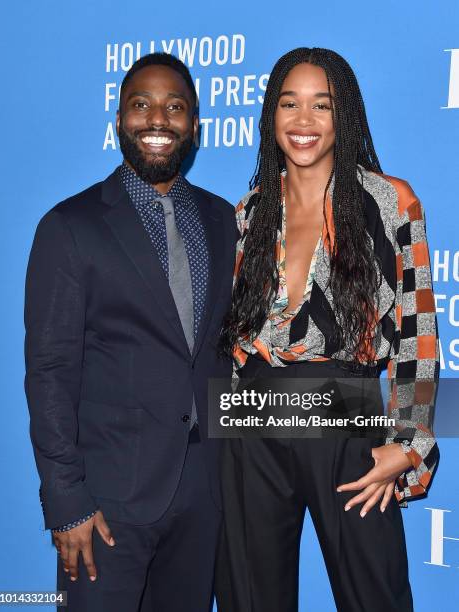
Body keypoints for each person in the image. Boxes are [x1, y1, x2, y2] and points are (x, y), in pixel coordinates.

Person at [215, 47, 439, 612]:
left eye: (323, 105)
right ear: (271, 115)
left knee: (375, 596)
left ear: (346, 117)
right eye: (290, 104)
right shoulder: (249, 212)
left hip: (346, 416)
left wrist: (408, 444)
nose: (304, 121)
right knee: (249, 597)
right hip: (253, 425)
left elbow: (417, 332)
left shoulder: (390, 202)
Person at [24, 52, 237, 612]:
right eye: (141, 105)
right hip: (106, 503)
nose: (157, 120)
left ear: (194, 124)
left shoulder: (223, 221)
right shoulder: (70, 226)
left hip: (202, 496)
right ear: (119, 119)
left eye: (175, 107)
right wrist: (66, 501)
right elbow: (50, 373)